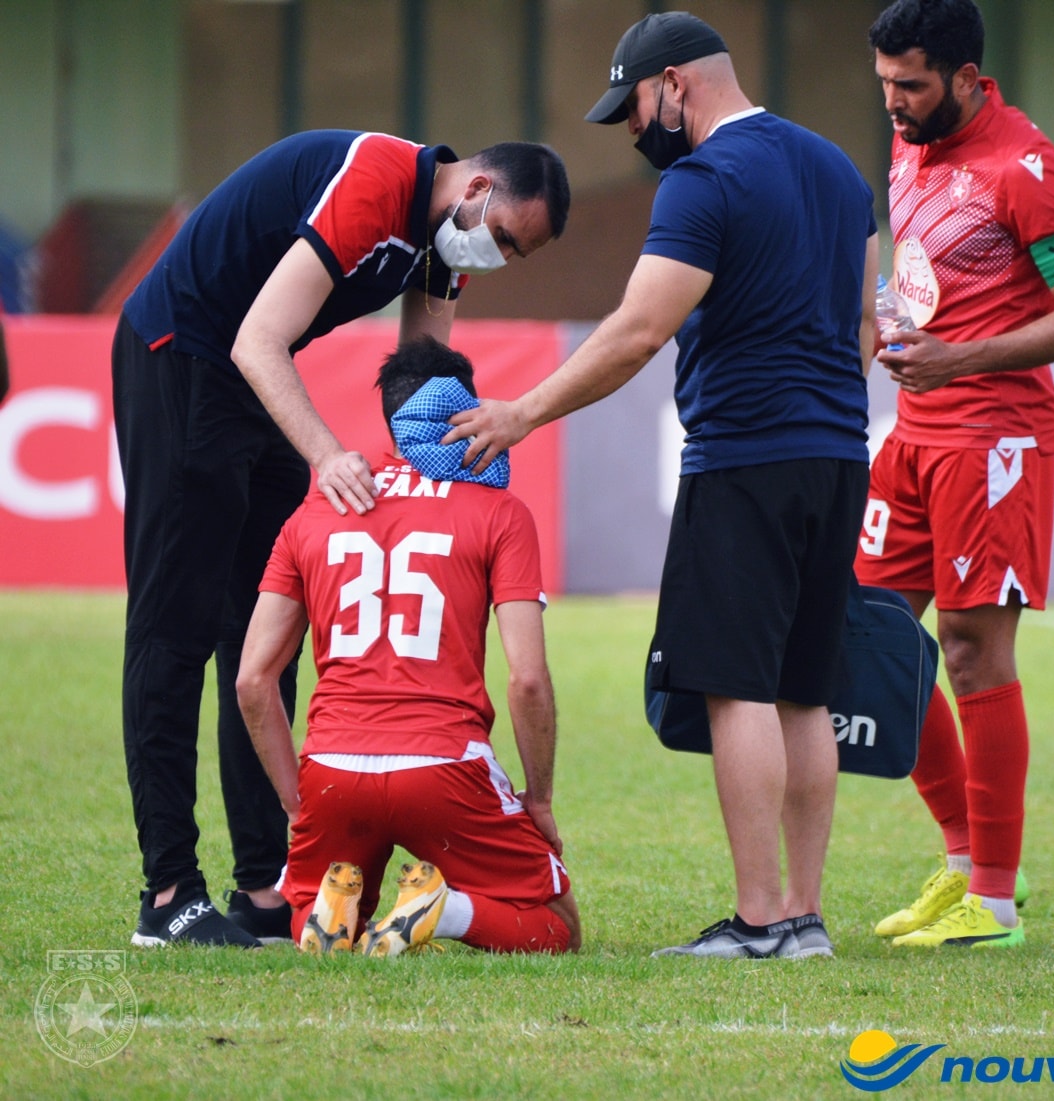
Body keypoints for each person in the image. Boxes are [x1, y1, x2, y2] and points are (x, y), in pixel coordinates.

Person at [444, 12, 879, 959]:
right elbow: (869, 329)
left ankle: (761, 919)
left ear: (675, 84)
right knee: (806, 688)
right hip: (841, 453)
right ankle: (804, 917)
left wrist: (520, 412)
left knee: (737, 686)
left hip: (744, 456)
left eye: (636, 105)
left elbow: (639, 330)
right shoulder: (841, 171)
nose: (637, 128)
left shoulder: (703, 180)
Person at [114, 130, 570, 948]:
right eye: (503, 235)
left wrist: (442, 471)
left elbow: (420, 383)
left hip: (254, 374)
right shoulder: (375, 181)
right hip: (183, 353)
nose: (498, 255)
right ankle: (168, 894)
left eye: (518, 254)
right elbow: (255, 337)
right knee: (173, 629)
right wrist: (327, 455)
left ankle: (260, 886)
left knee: (260, 638)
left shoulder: (446, 243)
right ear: (477, 187)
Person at [858, 0, 1054, 947]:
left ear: (967, 77)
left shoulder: (1027, 167)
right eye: (884, 83)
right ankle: (961, 858)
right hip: (916, 431)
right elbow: (916, 261)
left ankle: (993, 902)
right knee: (866, 633)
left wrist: (958, 359)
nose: (893, 101)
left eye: (911, 85)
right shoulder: (911, 139)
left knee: (969, 647)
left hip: (995, 434)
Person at [236, 336, 580, 956]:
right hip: (444, 766)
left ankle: (331, 915)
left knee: (320, 906)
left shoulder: (317, 510)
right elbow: (527, 678)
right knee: (556, 922)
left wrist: (297, 803)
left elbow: (252, 681)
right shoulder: (499, 510)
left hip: (334, 768)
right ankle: (444, 912)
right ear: (465, 412)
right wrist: (542, 798)